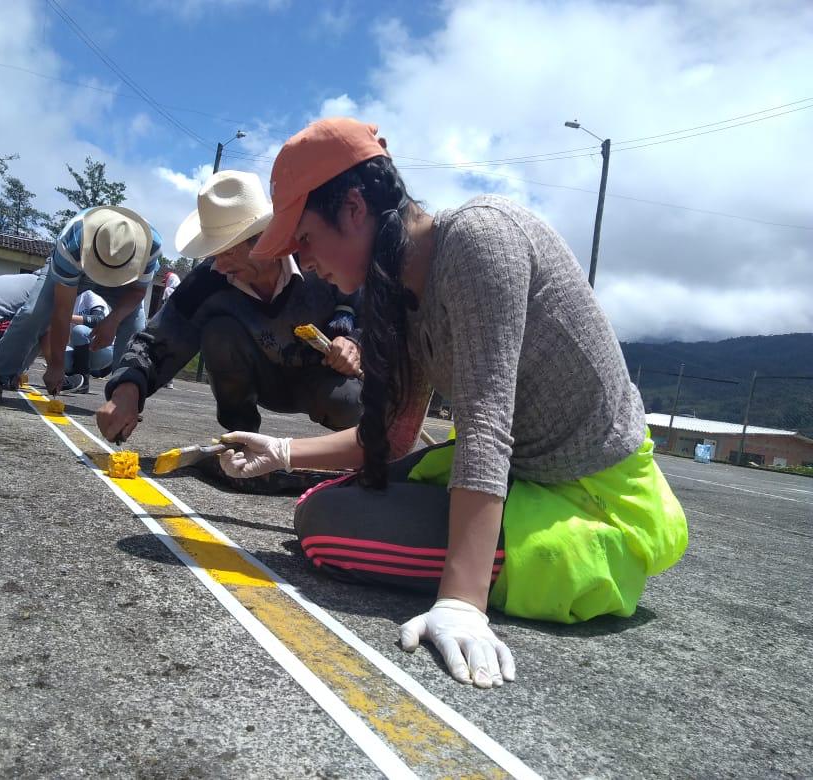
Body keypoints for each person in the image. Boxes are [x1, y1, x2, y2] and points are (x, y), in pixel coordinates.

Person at [217, 118, 689, 689]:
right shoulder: (398, 287)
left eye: (305, 238)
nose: (302, 259)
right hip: (519, 477)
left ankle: (526, 567)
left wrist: (462, 604)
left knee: (325, 526)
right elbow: (389, 438)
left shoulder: (478, 240)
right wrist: (283, 451)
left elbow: (488, 423)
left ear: (355, 208)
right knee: (328, 501)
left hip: (590, 503)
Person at [96, 170, 363, 445]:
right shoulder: (209, 280)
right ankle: (241, 436)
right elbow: (156, 339)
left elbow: (375, 310)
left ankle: (364, 443)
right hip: (263, 381)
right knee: (219, 332)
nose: (219, 265)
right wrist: (126, 391)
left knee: (351, 404)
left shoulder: (314, 258)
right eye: (215, 253)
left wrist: (355, 343)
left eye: (228, 251)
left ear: (264, 239)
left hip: (323, 378)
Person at [0, 206, 162, 400]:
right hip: (76, 264)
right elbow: (62, 311)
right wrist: (56, 364)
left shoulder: (151, 246)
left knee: (135, 327)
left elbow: (138, 291)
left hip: (125, 282)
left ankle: (124, 398)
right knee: (33, 313)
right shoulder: (72, 243)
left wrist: (113, 320)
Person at [63, 288, 113, 393]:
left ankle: (84, 383)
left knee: (80, 330)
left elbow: (99, 319)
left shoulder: (90, 294)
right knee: (58, 356)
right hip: (81, 351)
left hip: (104, 349)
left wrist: (65, 317)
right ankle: (77, 379)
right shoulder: (63, 299)